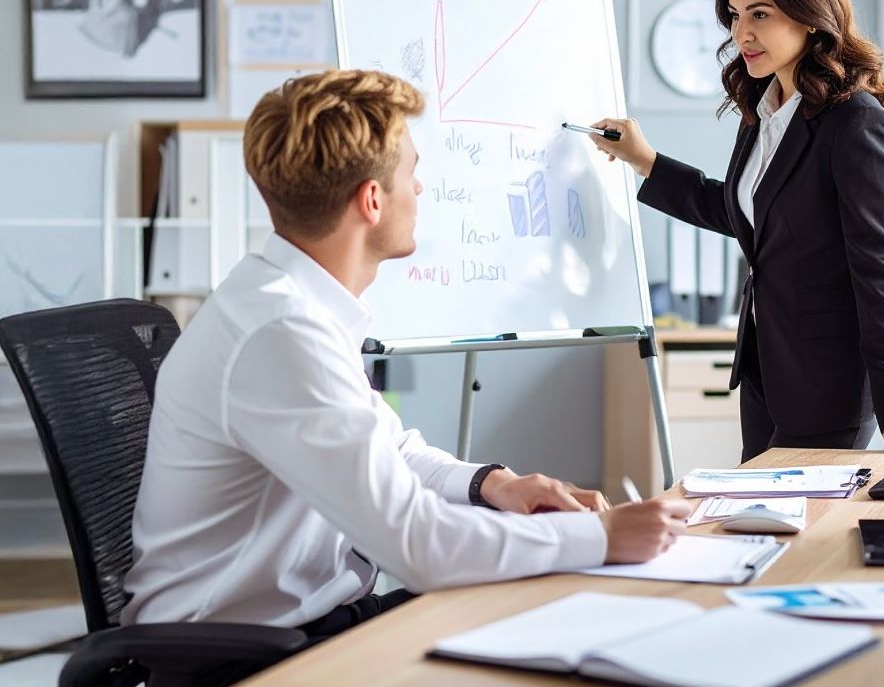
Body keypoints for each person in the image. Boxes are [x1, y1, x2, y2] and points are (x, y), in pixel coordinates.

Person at [122, 69, 690, 648]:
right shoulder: (279, 333)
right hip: (240, 655)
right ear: (371, 200)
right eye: (411, 172)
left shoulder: (290, 303)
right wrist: (602, 537)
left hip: (309, 622)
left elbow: (389, 450)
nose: (418, 190)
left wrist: (493, 484)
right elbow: (418, 546)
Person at [589, 0, 884, 461]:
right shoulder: (765, 110)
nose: (742, 33)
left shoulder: (855, 123)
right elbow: (745, 218)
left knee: (798, 530)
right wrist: (646, 160)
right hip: (766, 366)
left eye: (759, 13)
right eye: (735, 16)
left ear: (809, 13)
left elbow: (879, 273)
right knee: (760, 525)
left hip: (826, 380)